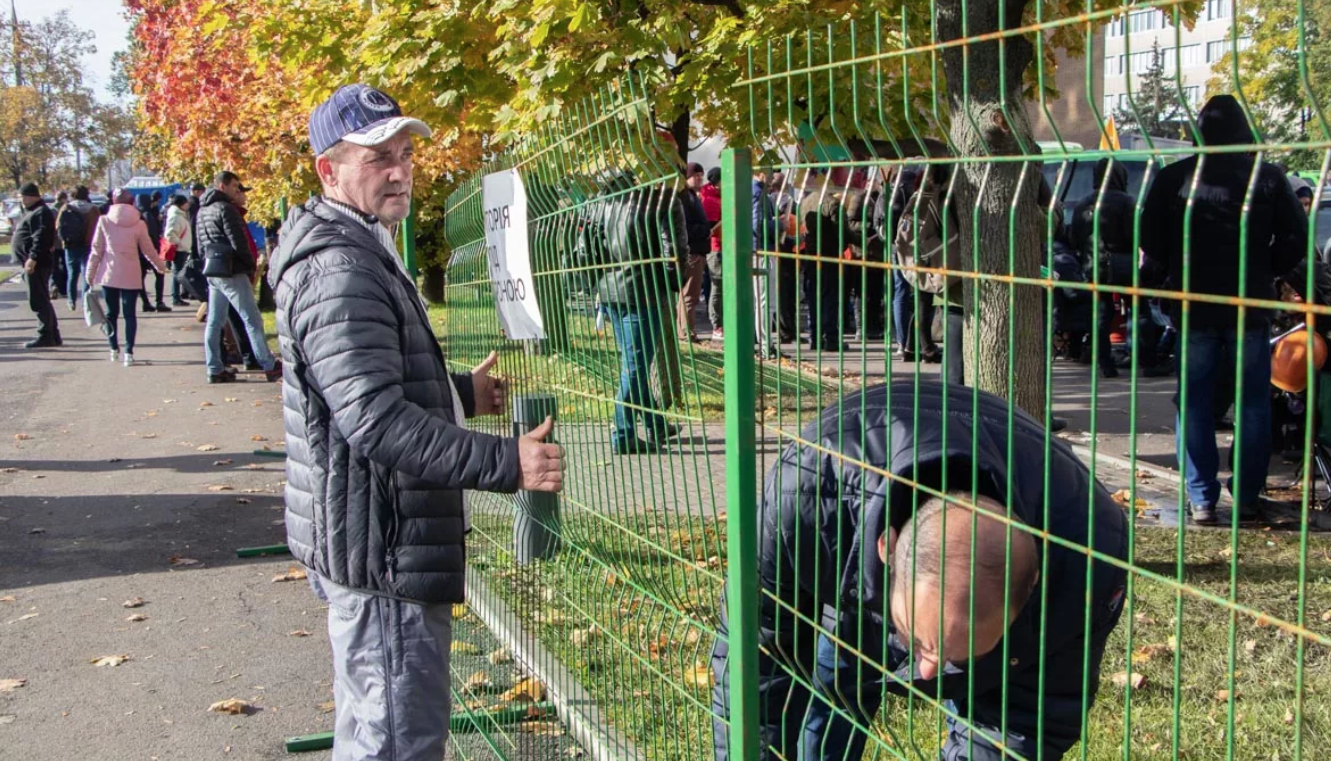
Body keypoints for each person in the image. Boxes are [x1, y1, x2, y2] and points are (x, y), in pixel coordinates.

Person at [268, 84, 565, 761]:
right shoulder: (339, 266)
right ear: (329, 170)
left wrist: (459, 393)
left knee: (379, 730)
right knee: (395, 741)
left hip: (374, 535)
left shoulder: (357, 244)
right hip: (384, 551)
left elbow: (362, 385)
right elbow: (373, 418)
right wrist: (504, 463)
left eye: (404, 155)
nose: (400, 171)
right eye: (377, 158)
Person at [710, 381, 1128, 761]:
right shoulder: (804, 496)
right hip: (854, 516)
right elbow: (755, 664)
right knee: (838, 683)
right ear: (886, 548)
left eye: (965, 649)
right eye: (919, 639)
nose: (926, 671)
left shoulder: (1086, 560)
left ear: (1031, 586)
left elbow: (1025, 724)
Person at [1141, 94, 1309, 525]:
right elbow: (1295, 237)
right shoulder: (1267, 179)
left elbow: (1152, 237)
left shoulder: (1176, 177)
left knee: (1194, 402)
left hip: (1195, 303)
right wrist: (1265, 270)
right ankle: (1248, 496)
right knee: (1252, 403)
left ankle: (1201, 498)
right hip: (1248, 305)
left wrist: (1174, 271)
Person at [579, 170, 689, 454]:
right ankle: (623, 433)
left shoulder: (602, 200)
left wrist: (596, 282)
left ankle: (656, 425)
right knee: (636, 366)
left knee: (634, 362)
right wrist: (672, 281)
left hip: (609, 290)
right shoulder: (660, 197)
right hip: (642, 289)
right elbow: (673, 247)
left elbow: (586, 249)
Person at [196, 170, 280, 384]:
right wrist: (250, 266)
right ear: (222, 186)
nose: (238, 190)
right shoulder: (226, 209)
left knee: (215, 321)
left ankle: (214, 367)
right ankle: (268, 364)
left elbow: (199, 246)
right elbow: (238, 241)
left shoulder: (202, 211)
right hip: (232, 270)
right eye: (235, 186)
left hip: (213, 270)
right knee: (252, 319)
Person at [1072, 158, 1137, 379]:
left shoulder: (1083, 204)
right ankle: (1141, 356)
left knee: (1101, 315)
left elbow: (1074, 237)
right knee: (1138, 311)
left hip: (1094, 267)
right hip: (1124, 264)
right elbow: (1135, 236)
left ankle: (1105, 362)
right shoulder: (1127, 202)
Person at [87, 188, 168, 366]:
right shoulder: (139, 223)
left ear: (113, 202)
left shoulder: (104, 221)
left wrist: (90, 273)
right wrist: (160, 266)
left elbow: (96, 250)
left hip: (109, 273)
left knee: (111, 313)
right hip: (131, 273)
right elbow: (148, 250)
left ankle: (113, 348)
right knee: (130, 314)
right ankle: (129, 353)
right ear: (132, 203)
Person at [13, 182, 61, 349]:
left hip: (36, 263)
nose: (21, 200)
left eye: (23, 196)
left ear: (33, 196)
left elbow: (41, 237)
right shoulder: (32, 211)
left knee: (38, 300)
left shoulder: (41, 212)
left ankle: (45, 335)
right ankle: (53, 334)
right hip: (32, 262)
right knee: (42, 298)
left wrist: (33, 258)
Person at [677, 162, 711, 343]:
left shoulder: (692, 196)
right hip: (692, 251)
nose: (699, 177)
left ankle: (685, 330)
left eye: (701, 174)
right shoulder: (685, 197)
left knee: (690, 295)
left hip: (696, 250)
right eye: (695, 174)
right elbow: (685, 228)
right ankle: (686, 332)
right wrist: (705, 230)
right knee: (689, 295)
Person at [57, 186, 101, 313]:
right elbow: (99, 227)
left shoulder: (66, 208)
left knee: (72, 274)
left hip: (71, 245)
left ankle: (71, 300)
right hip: (88, 244)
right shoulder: (93, 209)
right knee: (87, 274)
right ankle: (85, 301)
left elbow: (58, 225)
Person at [135, 193, 171, 312]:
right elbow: (153, 235)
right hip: (151, 251)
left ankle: (145, 302)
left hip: (138, 252)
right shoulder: (148, 216)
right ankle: (159, 301)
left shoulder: (135, 215)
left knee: (140, 278)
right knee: (160, 274)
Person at [702, 166, 724, 341]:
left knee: (720, 286)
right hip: (716, 248)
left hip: (722, 247)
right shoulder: (710, 199)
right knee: (717, 286)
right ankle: (717, 324)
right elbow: (712, 227)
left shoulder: (718, 197)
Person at [163, 194, 192, 306]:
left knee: (178, 273)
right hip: (179, 250)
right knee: (177, 274)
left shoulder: (179, 215)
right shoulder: (176, 216)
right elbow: (169, 234)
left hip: (182, 248)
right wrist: (180, 243)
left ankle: (177, 296)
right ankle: (175, 297)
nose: (188, 205)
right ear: (181, 204)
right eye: (186, 203)